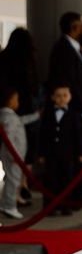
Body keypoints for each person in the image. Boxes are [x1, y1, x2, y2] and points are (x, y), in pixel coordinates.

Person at [0, 27, 43, 203]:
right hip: (26, 109)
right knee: (26, 151)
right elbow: (32, 86)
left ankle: (14, 191)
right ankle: (22, 186)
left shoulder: (3, 59)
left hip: (6, 106)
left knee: (8, 151)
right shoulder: (28, 62)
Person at [36, 83, 82, 216]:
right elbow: (43, 134)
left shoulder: (74, 114)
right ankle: (49, 206)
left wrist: (80, 153)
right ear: (52, 97)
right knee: (50, 180)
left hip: (67, 153)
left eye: (65, 95)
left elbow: (77, 135)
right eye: (58, 96)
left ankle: (65, 205)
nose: (61, 98)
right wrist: (41, 153)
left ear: (70, 97)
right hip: (51, 152)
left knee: (66, 179)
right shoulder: (47, 113)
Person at [48, 12, 82, 127]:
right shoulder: (64, 49)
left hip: (79, 110)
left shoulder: (75, 48)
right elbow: (70, 82)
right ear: (75, 28)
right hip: (73, 112)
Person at [0, 82, 27, 220]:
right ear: (10, 101)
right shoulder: (8, 117)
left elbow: (21, 120)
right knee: (13, 180)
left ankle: (6, 203)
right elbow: (9, 137)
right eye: (16, 99)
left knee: (10, 178)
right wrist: (14, 155)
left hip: (13, 154)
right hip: (13, 155)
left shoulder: (9, 116)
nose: (18, 102)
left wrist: (37, 115)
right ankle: (9, 205)